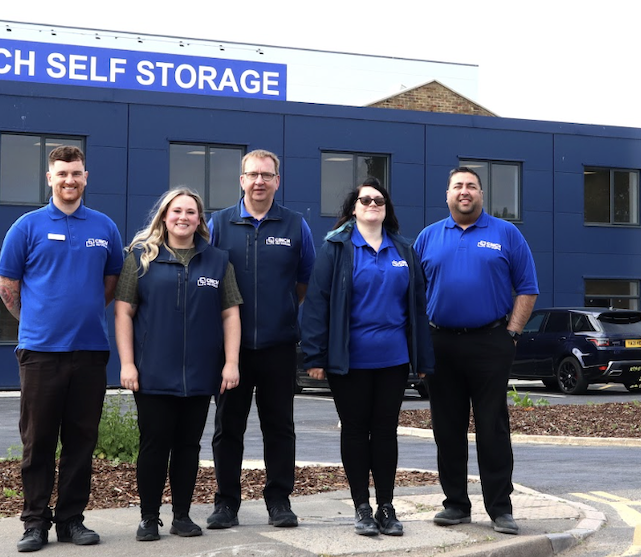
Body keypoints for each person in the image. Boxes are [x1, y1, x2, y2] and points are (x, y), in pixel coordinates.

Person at [0, 145, 124, 552]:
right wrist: (35, 322)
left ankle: (71, 520)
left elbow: (111, 284)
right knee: (38, 442)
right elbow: (7, 286)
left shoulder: (104, 227)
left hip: (90, 351)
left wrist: (80, 314)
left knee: (81, 441)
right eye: (62, 173)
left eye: (77, 173)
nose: (70, 180)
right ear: (49, 178)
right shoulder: (26, 227)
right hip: (40, 354)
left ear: (86, 177)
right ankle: (35, 522)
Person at [300, 178, 434, 537]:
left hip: (393, 360)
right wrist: (315, 355)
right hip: (350, 361)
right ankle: (361, 506)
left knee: (386, 432)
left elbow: (418, 309)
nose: (372, 204)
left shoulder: (404, 250)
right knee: (356, 432)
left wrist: (423, 359)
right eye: (365, 199)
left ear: (386, 208)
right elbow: (316, 304)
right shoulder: (336, 247)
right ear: (354, 208)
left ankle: (386, 507)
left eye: (379, 200)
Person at [413, 166, 539, 536]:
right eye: (457, 186)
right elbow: (412, 295)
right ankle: (455, 505)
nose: (464, 192)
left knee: (492, 428)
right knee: (447, 429)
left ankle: (500, 508)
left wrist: (511, 334)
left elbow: (527, 288)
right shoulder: (427, 237)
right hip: (441, 343)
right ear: (447, 195)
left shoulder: (506, 234)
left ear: (481, 194)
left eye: (471, 186)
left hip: (490, 342)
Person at [114, 188, 242, 541]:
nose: (183, 217)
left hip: (200, 374)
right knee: (153, 445)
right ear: (164, 216)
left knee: (189, 447)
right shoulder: (140, 257)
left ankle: (182, 516)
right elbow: (124, 311)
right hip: (152, 372)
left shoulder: (218, 260)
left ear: (200, 219)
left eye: (191, 212)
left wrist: (231, 362)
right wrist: (128, 363)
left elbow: (230, 314)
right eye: (176, 211)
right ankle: (149, 518)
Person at [207, 149, 316, 529]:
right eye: (252, 174)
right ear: (241, 180)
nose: (259, 181)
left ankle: (280, 501)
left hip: (278, 345)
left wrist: (282, 310)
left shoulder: (295, 225)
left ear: (277, 181)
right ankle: (226, 503)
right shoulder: (219, 223)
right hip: (229, 350)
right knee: (227, 428)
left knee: (279, 427)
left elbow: (304, 283)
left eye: (266, 175)